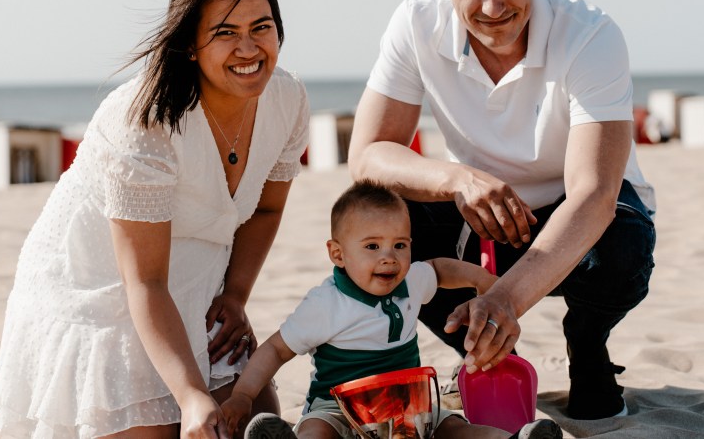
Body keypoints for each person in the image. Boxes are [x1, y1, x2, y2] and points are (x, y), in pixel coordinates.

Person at [347, 0, 656, 421]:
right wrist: (456, 178)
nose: (493, 6)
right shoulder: (415, 22)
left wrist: (505, 300)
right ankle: (490, 357)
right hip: (483, 214)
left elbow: (594, 194)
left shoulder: (590, 34)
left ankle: (587, 345)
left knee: (622, 248)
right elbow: (368, 156)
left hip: (582, 219)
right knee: (374, 215)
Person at [0, 0, 311, 439]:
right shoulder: (143, 124)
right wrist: (189, 395)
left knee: (252, 420)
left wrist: (235, 295)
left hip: (195, 279)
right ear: (189, 45)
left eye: (261, 28)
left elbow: (266, 208)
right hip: (105, 289)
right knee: (181, 423)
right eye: (225, 33)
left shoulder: (288, 100)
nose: (248, 48)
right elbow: (143, 283)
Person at [219, 181, 562, 439]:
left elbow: (441, 270)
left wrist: (484, 281)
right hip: (339, 407)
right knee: (318, 430)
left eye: (400, 245)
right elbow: (277, 348)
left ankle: (517, 438)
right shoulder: (326, 304)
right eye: (372, 246)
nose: (389, 257)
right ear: (338, 254)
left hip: (409, 406)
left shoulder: (410, 280)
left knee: (454, 427)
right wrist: (243, 395)